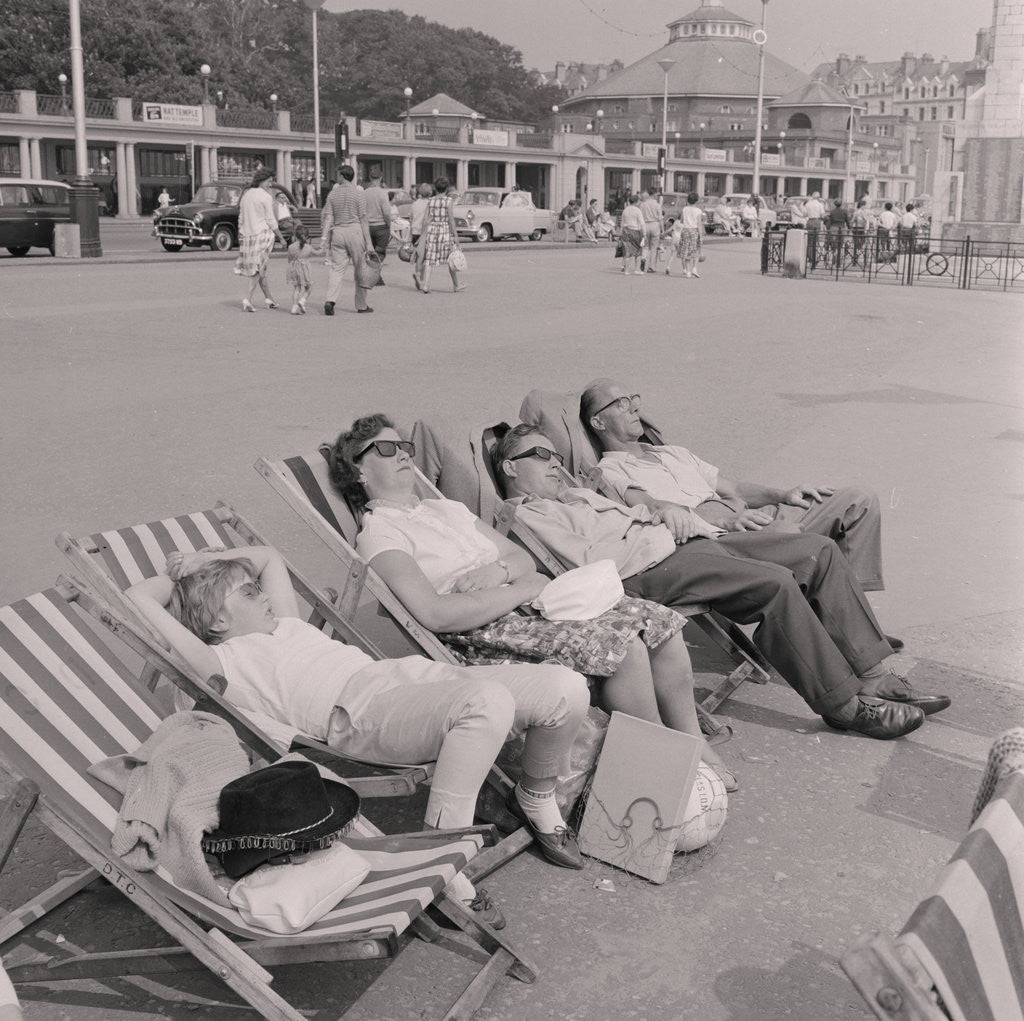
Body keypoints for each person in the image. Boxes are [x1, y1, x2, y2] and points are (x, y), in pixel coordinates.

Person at [126, 544, 591, 919]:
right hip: (359, 714)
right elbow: (138, 598)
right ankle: (442, 856)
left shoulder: (286, 625)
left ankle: (534, 795)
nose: (264, 594)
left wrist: (203, 561)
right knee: (486, 704)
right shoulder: (222, 662)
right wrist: (177, 581)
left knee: (565, 688)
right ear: (216, 621)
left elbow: (269, 554)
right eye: (248, 593)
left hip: (407, 677)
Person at [329, 415, 737, 791]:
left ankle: (694, 744)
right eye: (385, 449)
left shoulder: (444, 508)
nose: (402, 452)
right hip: (483, 633)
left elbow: (521, 558)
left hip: (525, 605)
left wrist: (502, 574)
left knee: (660, 623)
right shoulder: (380, 534)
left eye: (404, 447)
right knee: (624, 647)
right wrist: (520, 586)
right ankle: (662, 763)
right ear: (358, 470)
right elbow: (435, 614)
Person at [495, 420, 948, 743]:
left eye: (556, 455)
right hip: (649, 570)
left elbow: (638, 510)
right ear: (510, 468)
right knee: (775, 585)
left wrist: (666, 514)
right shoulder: (528, 514)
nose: (554, 463)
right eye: (539, 455)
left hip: (684, 542)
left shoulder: (575, 493)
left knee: (818, 552)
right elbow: (593, 561)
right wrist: (656, 529)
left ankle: (872, 674)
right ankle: (843, 705)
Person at [320, 164, 373, 316]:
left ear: (343, 176)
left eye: (338, 174)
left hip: (338, 232)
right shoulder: (358, 194)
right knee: (360, 270)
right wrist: (369, 243)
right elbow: (363, 218)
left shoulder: (332, 194)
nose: (337, 177)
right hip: (355, 232)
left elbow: (328, 217)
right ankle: (361, 305)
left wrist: (324, 237)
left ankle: (330, 300)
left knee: (337, 269)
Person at [235, 168, 287, 314]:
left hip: (247, 236)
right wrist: (281, 238)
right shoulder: (265, 196)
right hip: (262, 236)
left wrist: (241, 232)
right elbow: (271, 220)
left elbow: (241, 216)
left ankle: (269, 299)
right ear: (262, 180)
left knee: (262, 268)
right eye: (269, 181)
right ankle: (248, 299)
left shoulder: (246, 194)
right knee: (258, 269)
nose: (270, 185)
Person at [417, 177, 463, 294]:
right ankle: (456, 285)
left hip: (432, 231)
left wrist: (423, 234)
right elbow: (451, 220)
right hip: (445, 231)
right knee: (451, 258)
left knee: (429, 259)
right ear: (446, 188)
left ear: (435, 188)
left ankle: (426, 285)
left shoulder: (430, 201)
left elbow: (425, 219)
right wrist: (456, 236)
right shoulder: (448, 201)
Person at [363, 168, 392, 287]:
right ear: (380, 178)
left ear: (370, 178)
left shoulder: (364, 192)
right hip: (381, 227)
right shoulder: (382, 193)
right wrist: (390, 225)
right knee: (380, 253)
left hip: (368, 227)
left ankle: (374, 275)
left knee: (371, 251)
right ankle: (375, 277)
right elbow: (386, 212)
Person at [286, 223, 318, 315]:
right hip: (304, 269)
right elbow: (317, 253)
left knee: (297, 288)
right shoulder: (308, 247)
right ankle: (303, 300)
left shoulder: (291, 247)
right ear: (307, 237)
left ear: (295, 236)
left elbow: (289, 259)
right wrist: (323, 247)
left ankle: (294, 306)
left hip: (293, 269)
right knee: (309, 287)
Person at [674, 192, 704, 278]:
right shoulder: (698, 211)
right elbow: (699, 224)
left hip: (685, 231)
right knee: (696, 250)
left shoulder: (685, 209)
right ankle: (694, 268)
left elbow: (681, 221)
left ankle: (688, 271)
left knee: (686, 251)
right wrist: (701, 236)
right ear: (697, 201)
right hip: (694, 231)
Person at [408, 182, 432, 288]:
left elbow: (411, 218)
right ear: (430, 193)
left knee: (418, 256)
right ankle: (420, 277)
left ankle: (418, 276)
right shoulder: (430, 203)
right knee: (426, 257)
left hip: (415, 232)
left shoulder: (415, 204)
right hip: (425, 232)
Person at [618, 194, 644, 275]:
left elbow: (622, 223)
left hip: (626, 231)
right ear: (636, 202)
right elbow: (642, 223)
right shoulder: (637, 210)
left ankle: (626, 270)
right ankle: (637, 269)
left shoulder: (625, 210)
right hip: (635, 231)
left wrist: (620, 234)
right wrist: (644, 233)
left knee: (627, 252)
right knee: (638, 251)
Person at [639, 190, 663, 271]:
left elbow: (640, 217)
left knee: (645, 246)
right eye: (657, 195)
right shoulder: (657, 205)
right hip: (655, 225)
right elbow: (660, 219)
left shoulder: (642, 205)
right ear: (654, 194)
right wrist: (662, 230)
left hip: (645, 225)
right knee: (654, 247)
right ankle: (651, 267)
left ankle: (643, 258)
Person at [851, 199, 871, 265]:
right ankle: (858, 253)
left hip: (855, 229)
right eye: (864, 205)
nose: (865, 207)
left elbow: (852, 221)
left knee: (856, 244)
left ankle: (855, 257)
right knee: (863, 243)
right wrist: (867, 228)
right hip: (861, 229)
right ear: (862, 205)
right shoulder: (862, 212)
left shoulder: (856, 212)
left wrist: (851, 227)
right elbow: (866, 220)